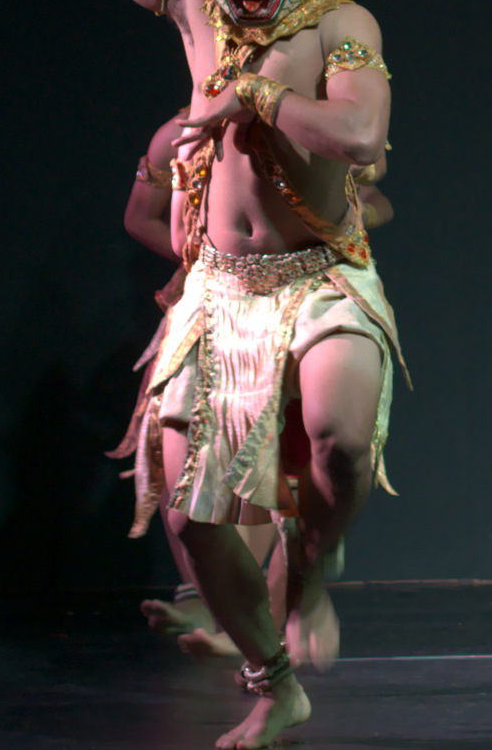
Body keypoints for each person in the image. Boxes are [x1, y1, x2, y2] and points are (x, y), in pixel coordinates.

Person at [64, 0, 408, 750]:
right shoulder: (192, 2)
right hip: (220, 292)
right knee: (186, 506)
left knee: (341, 440)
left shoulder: (343, 26)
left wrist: (250, 94)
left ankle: (311, 571)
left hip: (322, 278)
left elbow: (358, 138)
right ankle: (271, 675)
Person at [117, 117, 394, 657]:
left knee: (281, 448)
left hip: (306, 297)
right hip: (217, 301)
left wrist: (326, 231)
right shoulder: (176, 134)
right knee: (196, 460)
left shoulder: (310, 126)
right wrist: (212, 254)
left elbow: (376, 198)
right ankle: (216, 605)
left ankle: (284, 596)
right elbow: (141, 217)